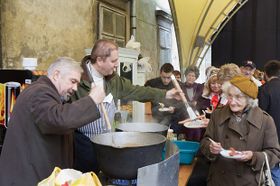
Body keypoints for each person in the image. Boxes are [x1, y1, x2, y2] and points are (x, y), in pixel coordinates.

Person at [71, 39, 182, 173]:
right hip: (84, 145)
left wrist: (166, 94)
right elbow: (64, 114)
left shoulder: (112, 78)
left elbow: (135, 91)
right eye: (113, 61)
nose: (117, 64)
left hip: (106, 142)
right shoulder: (76, 78)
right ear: (99, 60)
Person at [0, 57, 106, 185]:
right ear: (56, 75)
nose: (75, 88)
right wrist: (92, 100)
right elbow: (58, 119)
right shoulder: (39, 92)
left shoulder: (48, 94)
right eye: (72, 81)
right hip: (27, 179)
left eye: (77, 83)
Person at [200, 75, 280, 186]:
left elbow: (274, 154)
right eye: (230, 96)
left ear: (249, 99)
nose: (232, 102)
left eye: (238, 97)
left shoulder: (265, 120)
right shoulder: (217, 115)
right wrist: (210, 147)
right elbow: (205, 141)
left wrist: (253, 156)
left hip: (250, 181)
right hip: (219, 180)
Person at [258, 59, 280, 185]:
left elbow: (261, 115)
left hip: (272, 137)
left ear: (266, 74)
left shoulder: (264, 89)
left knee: (274, 168)